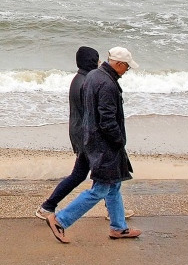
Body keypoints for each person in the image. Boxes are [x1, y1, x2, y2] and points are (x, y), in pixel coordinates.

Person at [46, 46, 141, 243]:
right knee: (100, 189)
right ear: (119, 64)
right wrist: (118, 140)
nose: (127, 71)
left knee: (114, 185)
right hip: (103, 144)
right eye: (127, 67)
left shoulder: (93, 76)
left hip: (92, 140)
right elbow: (106, 119)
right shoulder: (107, 83)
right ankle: (60, 220)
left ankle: (119, 227)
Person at [35, 46, 98, 220]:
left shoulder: (79, 78)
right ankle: (47, 207)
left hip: (78, 133)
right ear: (90, 61)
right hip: (86, 136)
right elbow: (91, 114)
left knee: (99, 176)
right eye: (96, 59)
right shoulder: (86, 82)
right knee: (89, 175)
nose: (99, 63)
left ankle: (114, 211)